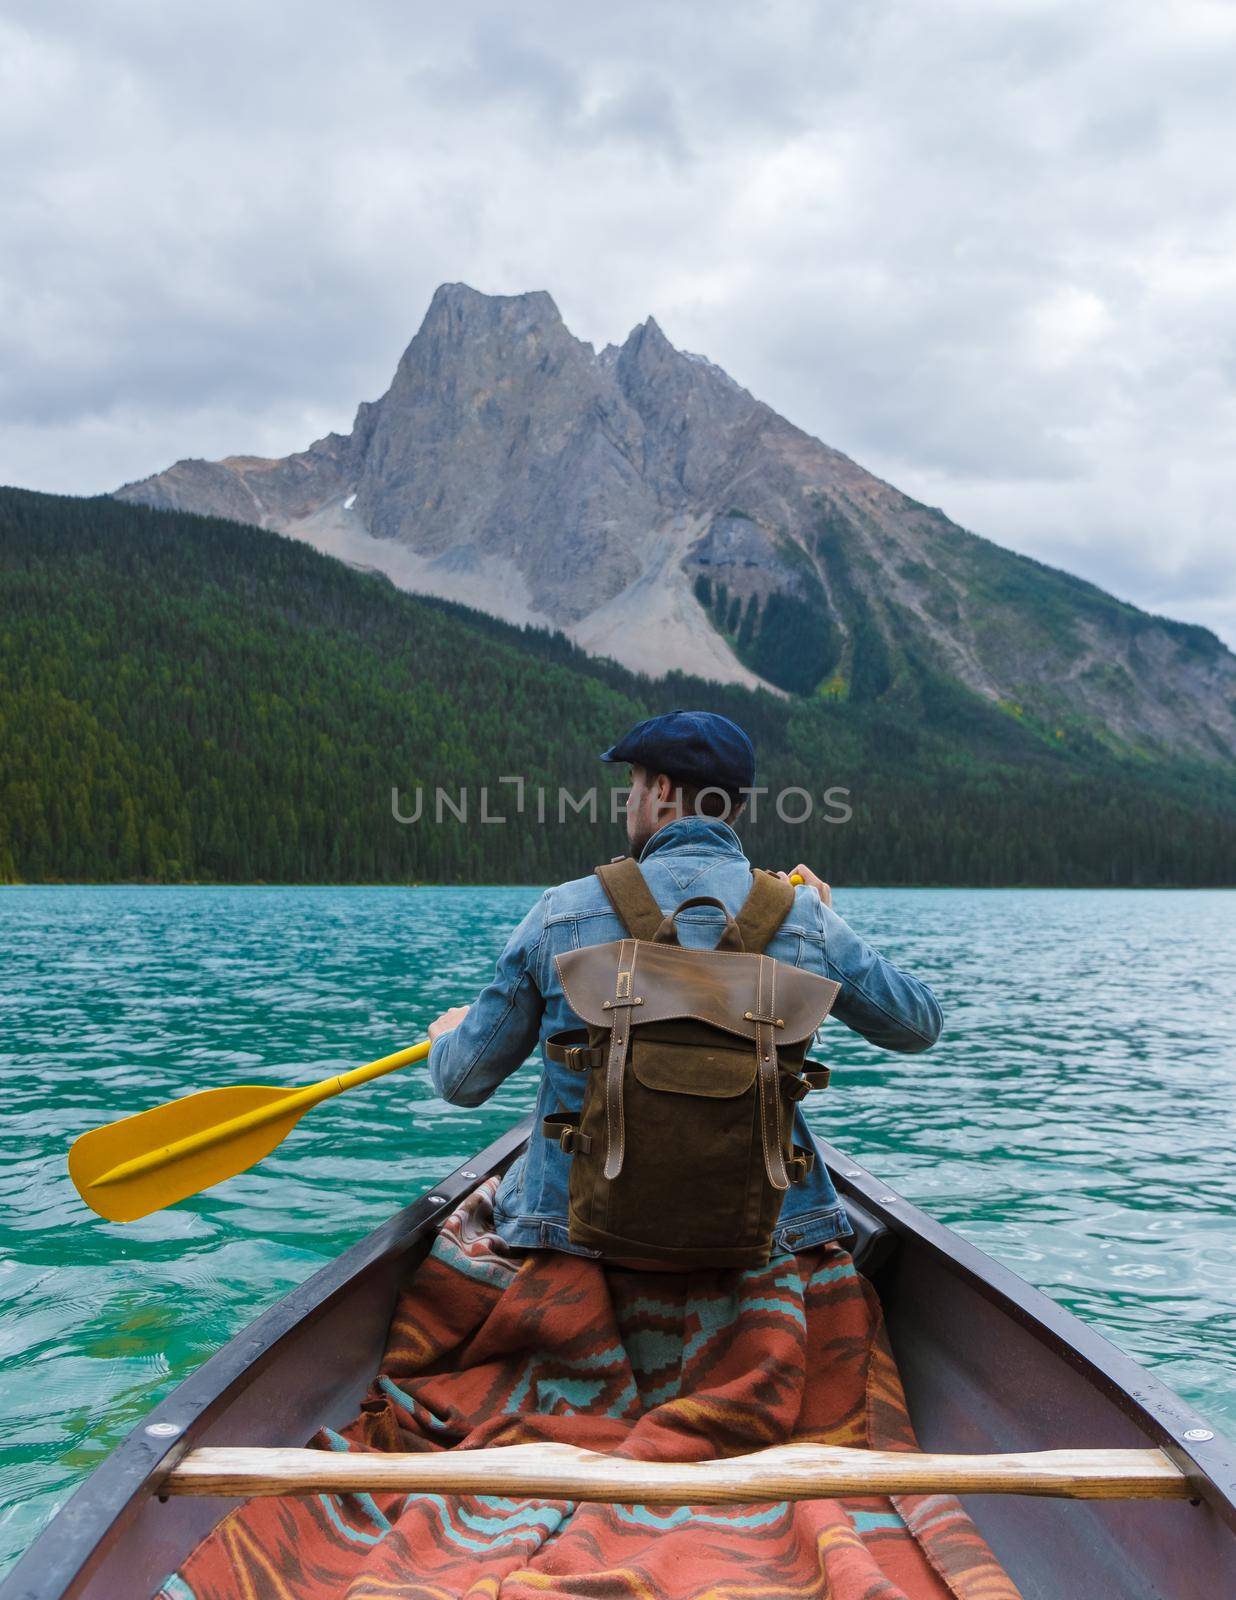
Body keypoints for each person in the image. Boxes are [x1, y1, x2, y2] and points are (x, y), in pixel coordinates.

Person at [427, 709, 942, 1256]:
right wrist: (823, 929)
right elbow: (918, 1026)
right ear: (736, 806)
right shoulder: (804, 918)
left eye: (632, 785)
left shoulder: (561, 913)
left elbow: (464, 1083)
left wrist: (448, 1037)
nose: (628, 801)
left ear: (663, 790)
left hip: (571, 1232)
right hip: (761, 1234)